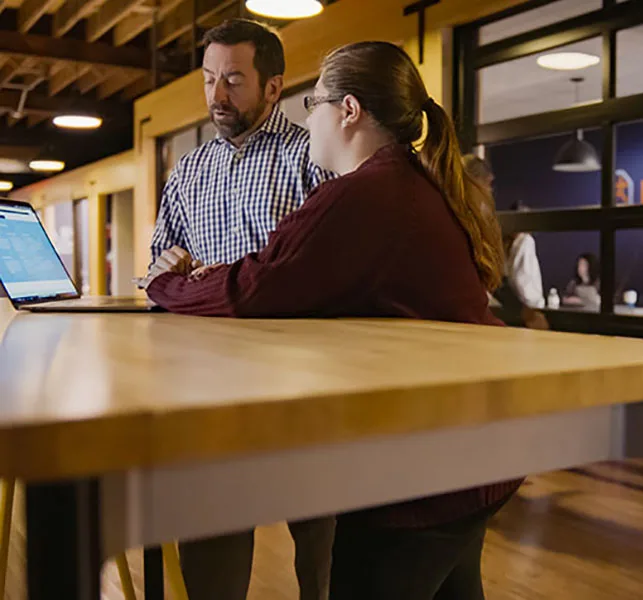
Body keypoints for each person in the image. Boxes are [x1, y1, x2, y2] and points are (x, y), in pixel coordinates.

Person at [143, 40, 522, 599]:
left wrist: (164, 283)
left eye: (311, 104)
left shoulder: (365, 194)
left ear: (348, 111)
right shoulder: (410, 182)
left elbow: (255, 287)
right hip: (471, 452)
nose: (306, 120)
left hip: (422, 475)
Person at [147, 18, 335, 600]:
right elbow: (158, 257)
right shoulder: (189, 169)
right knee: (210, 555)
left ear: (273, 87)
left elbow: (330, 266)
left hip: (303, 384)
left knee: (323, 557)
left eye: (233, 80)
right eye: (208, 80)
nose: (216, 95)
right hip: (208, 386)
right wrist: (171, 259)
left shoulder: (312, 155)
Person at [463, 156, 545, 313]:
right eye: (488, 186)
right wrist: (528, 312)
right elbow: (492, 278)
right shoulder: (471, 223)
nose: (490, 194)